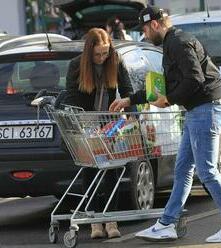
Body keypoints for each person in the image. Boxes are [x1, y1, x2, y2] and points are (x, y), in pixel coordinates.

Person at [109, 6, 221, 243]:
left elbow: (194, 78)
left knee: (206, 171)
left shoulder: (177, 42)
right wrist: (130, 99)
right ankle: (167, 224)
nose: (143, 35)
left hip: (205, 110)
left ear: (154, 24)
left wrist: (170, 99)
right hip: (199, 111)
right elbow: (163, 85)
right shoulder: (172, 43)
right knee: (183, 169)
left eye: (144, 29)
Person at [65, 27, 133, 239]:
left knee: (111, 170)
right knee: (90, 171)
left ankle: (111, 220)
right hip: (87, 123)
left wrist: (131, 113)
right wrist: (84, 124)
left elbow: (127, 88)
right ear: (89, 51)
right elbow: (71, 97)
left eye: (105, 53)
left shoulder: (115, 59)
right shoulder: (76, 65)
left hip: (109, 123)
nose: (102, 57)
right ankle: (94, 222)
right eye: (98, 54)